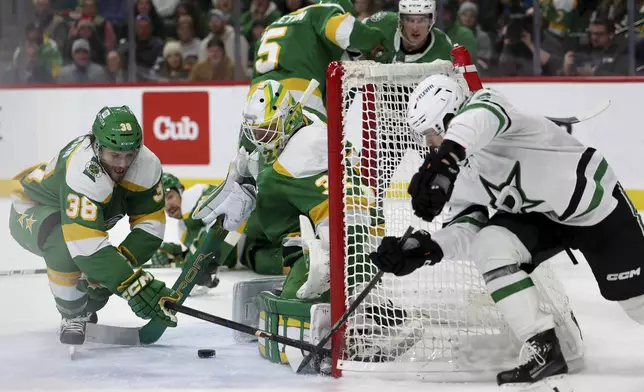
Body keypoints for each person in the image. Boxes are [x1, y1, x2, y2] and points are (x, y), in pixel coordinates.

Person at [370, 74, 644, 385]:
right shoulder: (458, 165)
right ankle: (543, 348)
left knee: (637, 304)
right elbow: (467, 226)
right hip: (539, 217)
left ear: (450, 115)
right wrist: (426, 249)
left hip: (592, 207)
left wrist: (445, 162)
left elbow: (474, 123)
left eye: (431, 131)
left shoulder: (487, 106)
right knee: (491, 244)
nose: (429, 143)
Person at [193, 80, 394, 366]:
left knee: (300, 307)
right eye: (257, 131)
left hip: (351, 234)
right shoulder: (305, 121)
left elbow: (340, 213)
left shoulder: (302, 153)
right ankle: (367, 307)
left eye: (267, 129)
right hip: (341, 228)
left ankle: (363, 320)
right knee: (296, 283)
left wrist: (326, 254)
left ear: (287, 118)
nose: (262, 139)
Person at [9, 106, 179, 345]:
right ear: (97, 147)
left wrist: (118, 270)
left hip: (73, 214)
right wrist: (130, 285)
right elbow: (85, 244)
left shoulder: (147, 164)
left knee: (101, 277)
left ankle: (85, 305)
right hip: (33, 209)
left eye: (129, 154)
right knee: (64, 247)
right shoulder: (82, 170)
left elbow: (150, 225)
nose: (122, 164)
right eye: (114, 155)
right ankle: (72, 315)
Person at [151, 173, 224, 294]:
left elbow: (222, 227)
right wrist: (178, 256)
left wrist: (193, 262)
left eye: (170, 197)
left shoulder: (201, 197)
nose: (168, 205)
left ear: (180, 192)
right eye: (162, 203)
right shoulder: (184, 230)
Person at [364, 0, 453, 64]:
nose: (415, 27)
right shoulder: (383, 25)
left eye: (421, 20)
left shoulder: (443, 49)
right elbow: (355, 33)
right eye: (410, 20)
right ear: (401, 20)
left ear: (431, 21)